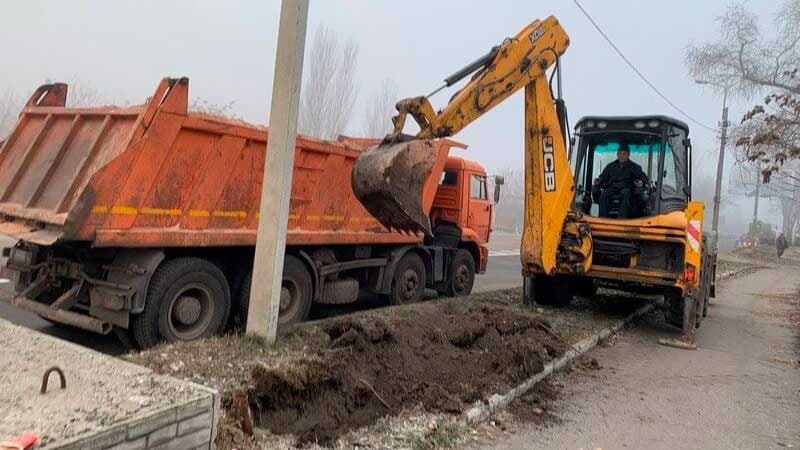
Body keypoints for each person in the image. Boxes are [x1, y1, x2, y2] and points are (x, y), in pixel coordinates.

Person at [594, 143, 648, 218]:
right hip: (612, 188)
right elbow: (602, 177)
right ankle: (602, 218)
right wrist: (598, 180)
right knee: (604, 194)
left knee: (626, 194)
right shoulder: (610, 166)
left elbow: (644, 178)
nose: (621, 156)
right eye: (619, 154)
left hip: (626, 189)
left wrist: (641, 182)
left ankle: (622, 219)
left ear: (628, 155)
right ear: (617, 154)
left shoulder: (635, 167)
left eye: (624, 154)